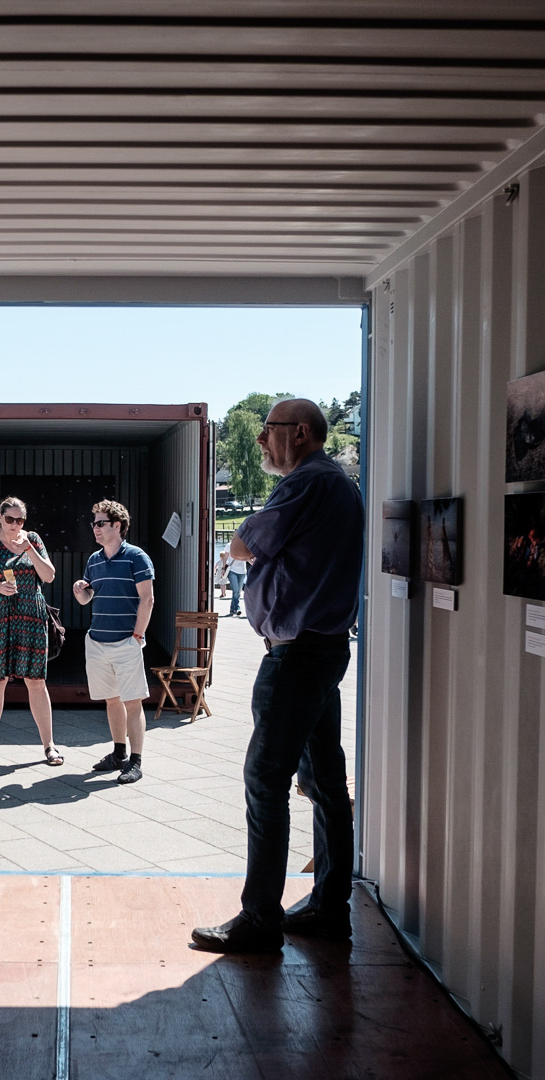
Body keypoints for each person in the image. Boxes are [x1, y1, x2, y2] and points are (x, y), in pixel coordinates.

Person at [191, 398, 364, 953]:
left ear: (303, 433)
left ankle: (261, 918)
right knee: (323, 782)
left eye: (270, 431)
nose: (262, 441)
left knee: (266, 780)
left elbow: (245, 543)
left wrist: (257, 546)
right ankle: (328, 906)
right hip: (320, 651)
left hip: (296, 657)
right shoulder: (332, 483)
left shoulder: (307, 482)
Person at [0, 496, 63, 766]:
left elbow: (49, 575)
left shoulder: (32, 539)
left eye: (20, 520)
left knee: (36, 682)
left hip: (31, 617)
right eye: (10, 519)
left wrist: (30, 549)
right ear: (0, 517)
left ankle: (49, 746)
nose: (15, 525)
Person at [72, 500, 154, 783]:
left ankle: (135, 761)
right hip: (97, 641)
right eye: (93, 523)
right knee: (111, 700)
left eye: (100, 523)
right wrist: (80, 591)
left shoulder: (137, 557)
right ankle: (118, 754)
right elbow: (87, 598)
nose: (94, 528)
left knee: (133, 702)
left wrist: (137, 637)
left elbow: (148, 599)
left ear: (117, 526)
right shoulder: (94, 560)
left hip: (126, 642)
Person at [220, 546, 250, 616]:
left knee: (238, 592)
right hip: (232, 570)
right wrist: (223, 568)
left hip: (242, 572)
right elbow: (225, 558)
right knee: (236, 590)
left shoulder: (244, 545)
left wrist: (252, 562)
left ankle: (232, 609)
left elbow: (247, 557)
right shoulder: (229, 545)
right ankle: (237, 608)